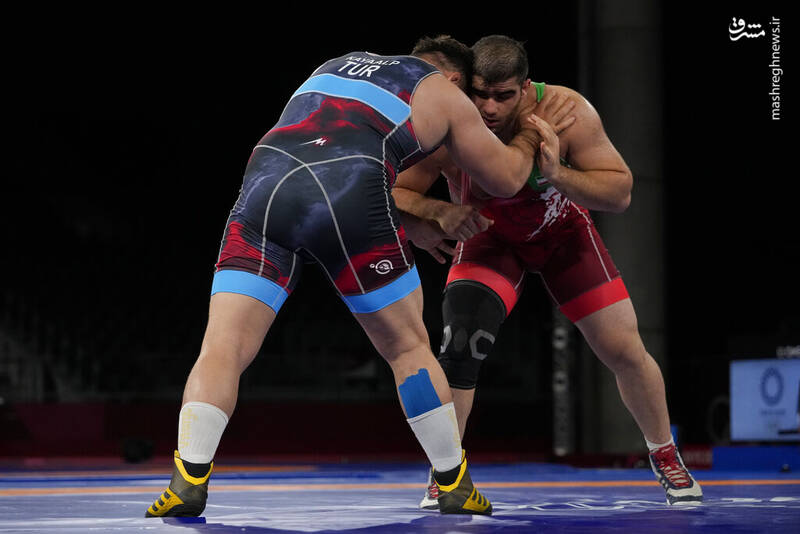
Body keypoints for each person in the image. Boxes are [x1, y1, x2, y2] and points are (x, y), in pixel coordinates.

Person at [144, 36, 548, 518]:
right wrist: (529, 133)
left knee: (222, 347)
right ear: (455, 78)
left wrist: (420, 217)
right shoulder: (443, 90)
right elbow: (506, 178)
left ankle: (187, 480)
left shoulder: (337, 62)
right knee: (407, 348)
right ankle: (453, 484)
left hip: (266, 183)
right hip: (349, 186)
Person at [392, 34, 703, 507]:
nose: (489, 108)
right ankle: (447, 470)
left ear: (525, 88)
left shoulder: (565, 110)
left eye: (503, 96)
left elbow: (620, 193)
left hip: (561, 236)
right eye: (480, 94)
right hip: (489, 238)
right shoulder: (452, 118)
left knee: (624, 349)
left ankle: (665, 455)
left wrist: (557, 173)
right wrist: (437, 212)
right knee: (459, 345)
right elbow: (396, 191)